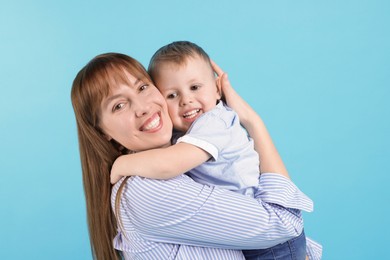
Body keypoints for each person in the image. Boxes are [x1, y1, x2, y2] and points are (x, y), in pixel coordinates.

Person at [71, 52, 321, 260]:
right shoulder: (146, 191)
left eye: (143, 87)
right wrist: (255, 123)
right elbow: (285, 224)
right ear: (102, 132)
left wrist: (250, 121)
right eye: (119, 105)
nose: (143, 107)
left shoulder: (186, 149)